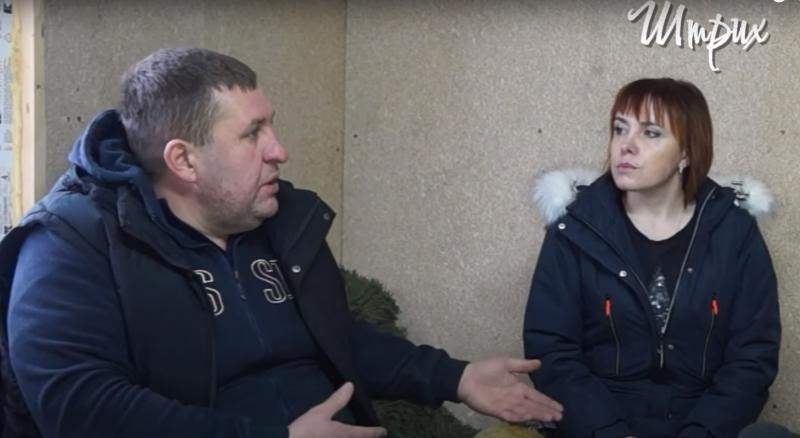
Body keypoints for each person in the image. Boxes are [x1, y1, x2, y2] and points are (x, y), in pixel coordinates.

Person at [0, 47, 562, 438]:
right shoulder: (69, 243)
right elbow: (81, 410)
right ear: (183, 160)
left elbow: (335, 337)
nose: (280, 150)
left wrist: (455, 377)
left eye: (270, 124)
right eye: (253, 134)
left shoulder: (275, 216)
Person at [524, 78, 781, 438]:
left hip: (702, 425)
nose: (626, 146)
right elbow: (553, 352)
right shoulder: (576, 230)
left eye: (651, 133)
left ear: (686, 153)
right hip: (598, 427)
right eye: (620, 129)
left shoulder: (734, 232)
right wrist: (608, 432)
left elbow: (752, 357)